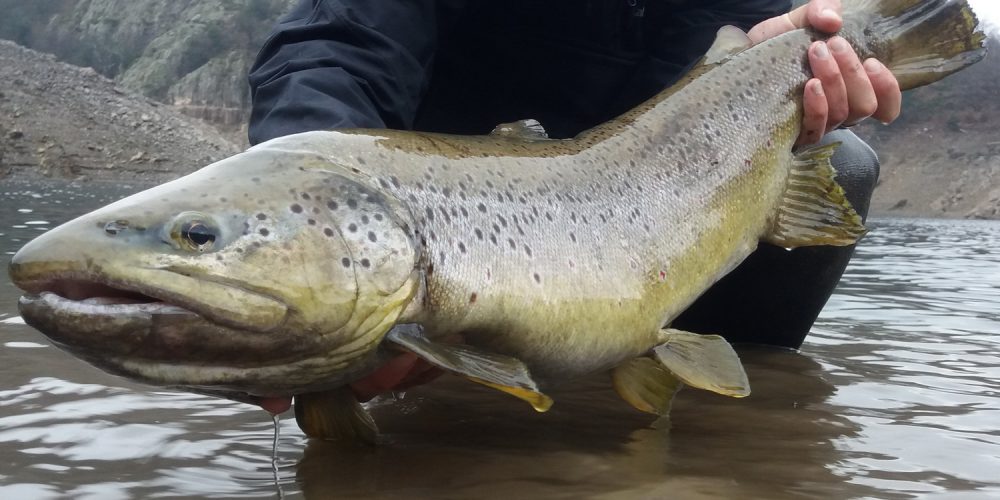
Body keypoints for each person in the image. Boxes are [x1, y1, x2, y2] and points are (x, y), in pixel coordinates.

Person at [247, 0, 901, 402]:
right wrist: (313, 207)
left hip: (640, 204)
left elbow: (721, 66)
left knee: (842, 163)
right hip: (440, 203)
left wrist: (784, 64)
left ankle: (734, 415)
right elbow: (340, 44)